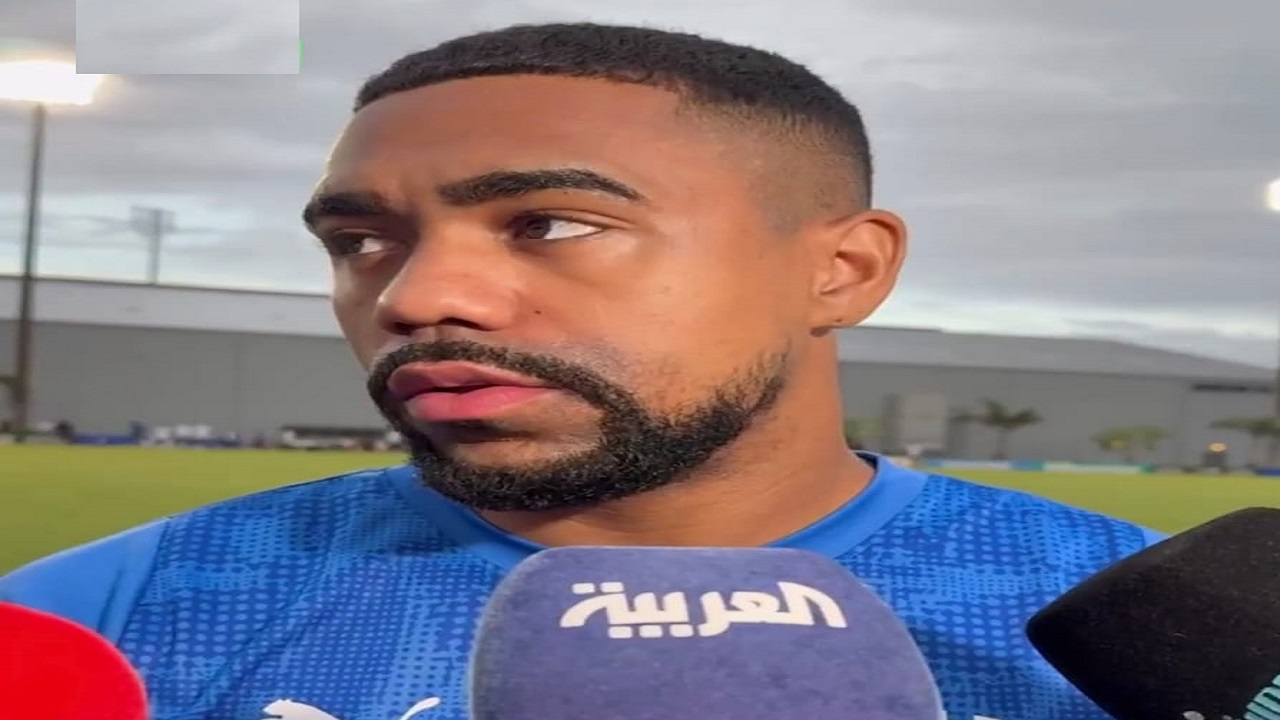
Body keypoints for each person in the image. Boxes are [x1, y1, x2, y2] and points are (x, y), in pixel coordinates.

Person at [0, 23, 1163, 720]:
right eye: (359, 242)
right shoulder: (94, 626)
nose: (415, 297)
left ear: (841, 271)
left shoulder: (1158, 635)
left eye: (551, 224)